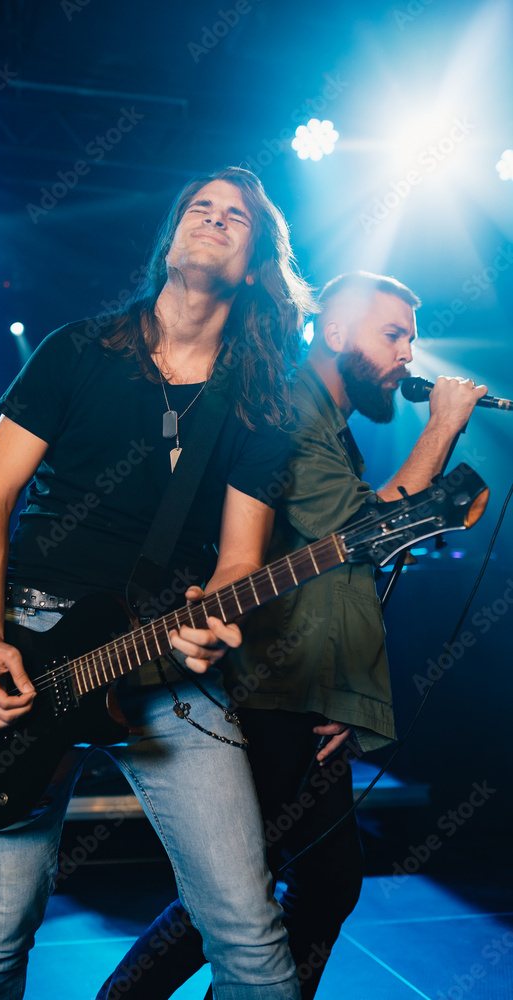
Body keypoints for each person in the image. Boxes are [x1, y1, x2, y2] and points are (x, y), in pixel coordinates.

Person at [0, 166, 318, 1000]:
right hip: (38, 650)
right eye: (200, 207)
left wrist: (214, 618)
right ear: (170, 236)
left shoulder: (262, 396)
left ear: (258, 259)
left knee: (247, 927)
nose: (215, 220)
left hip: (162, 665)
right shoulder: (78, 350)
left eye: (237, 218)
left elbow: (238, 559)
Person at [96, 270, 488, 1000]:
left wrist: (341, 693)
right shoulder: (288, 409)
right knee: (244, 889)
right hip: (269, 689)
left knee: (313, 879)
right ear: (335, 334)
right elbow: (359, 536)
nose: (409, 355)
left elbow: (329, 573)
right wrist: (439, 430)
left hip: (306, 686)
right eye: (392, 334)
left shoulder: (325, 420)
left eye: (411, 338)